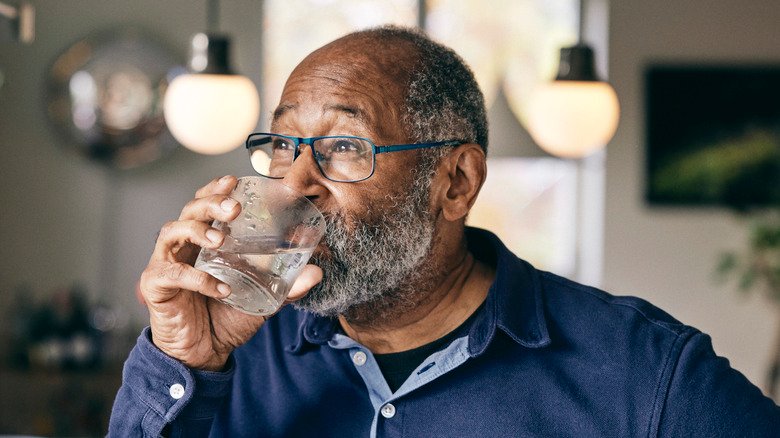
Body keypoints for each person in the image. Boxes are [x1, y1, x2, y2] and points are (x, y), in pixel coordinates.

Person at [109, 25, 779, 436]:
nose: (293, 184)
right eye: (281, 146)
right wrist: (184, 362)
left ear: (455, 182)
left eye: (344, 147)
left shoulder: (648, 377)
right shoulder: (228, 354)